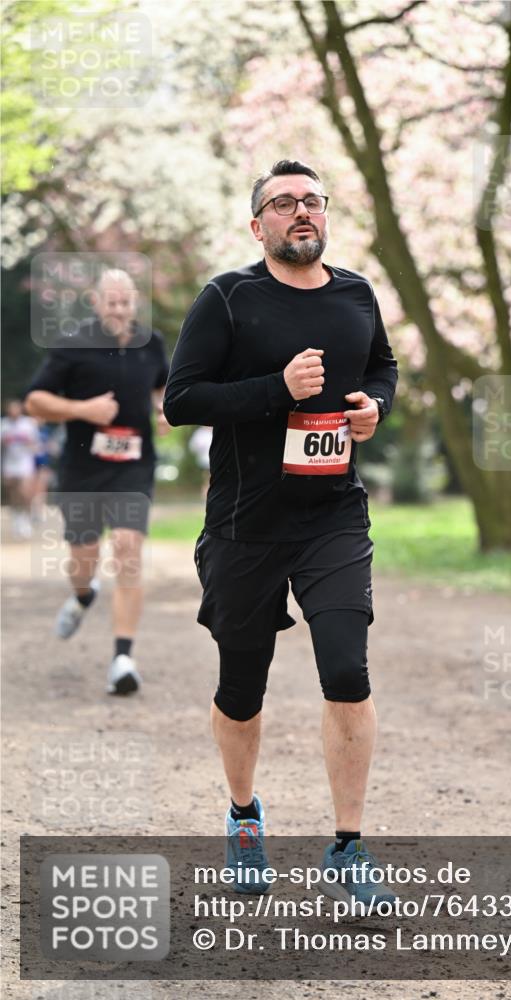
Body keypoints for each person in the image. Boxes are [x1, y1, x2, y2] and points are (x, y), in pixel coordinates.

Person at [164, 159, 398, 908]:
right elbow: (181, 401)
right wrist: (276, 391)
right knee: (241, 686)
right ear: (256, 222)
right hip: (245, 526)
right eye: (283, 202)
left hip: (332, 516)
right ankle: (242, 816)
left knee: (347, 670)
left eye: (312, 201)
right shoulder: (228, 298)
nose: (301, 212)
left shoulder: (357, 293)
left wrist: (375, 409)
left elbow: (384, 367)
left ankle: (348, 845)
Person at [24, 268, 170, 695]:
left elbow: (161, 386)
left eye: (126, 302)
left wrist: (163, 410)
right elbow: (36, 401)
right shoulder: (73, 344)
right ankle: (84, 595)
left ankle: (123, 658)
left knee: (127, 546)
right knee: (83, 555)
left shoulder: (151, 342)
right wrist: (84, 410)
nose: (120, 310)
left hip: (133, 464)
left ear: (134, 302)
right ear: (97, 302)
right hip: (83, 468)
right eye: (112, 302)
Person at [1, 399, 39, 539]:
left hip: (25, 462)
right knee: (13, 493)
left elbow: (36, 444)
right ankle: (17, 517)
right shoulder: (3, 425)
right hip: (9, 463)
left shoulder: (28, 424)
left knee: (25, 491)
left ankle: (26, 517)